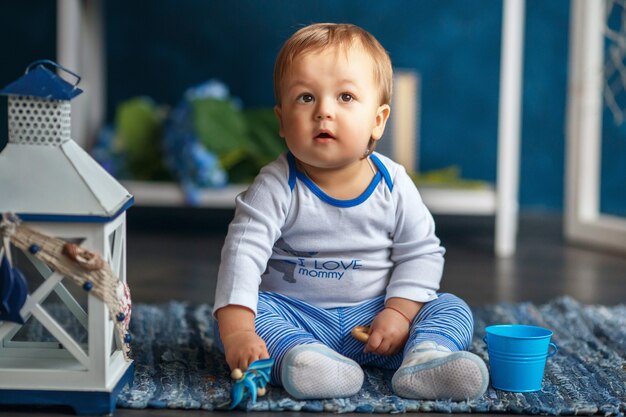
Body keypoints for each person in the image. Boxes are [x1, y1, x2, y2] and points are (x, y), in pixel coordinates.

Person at [213, 22, 489, 401]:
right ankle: (304, 359)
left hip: (377, 322)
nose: (324, 111)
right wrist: (240, 334)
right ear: (281, 120)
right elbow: (242, 257)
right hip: (297, 316)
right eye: (306, 98)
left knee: (450, 308)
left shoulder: (392, 184)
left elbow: (421, 254)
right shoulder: (276, 186)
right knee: (242, 313)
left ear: (377, 120)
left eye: (345, 97)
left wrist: (399, 314)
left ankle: (425, 358)